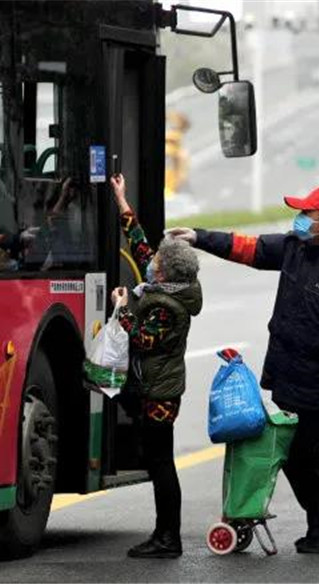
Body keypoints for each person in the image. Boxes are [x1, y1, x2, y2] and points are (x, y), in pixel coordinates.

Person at [169, 186, 319, 553]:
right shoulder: (295, 247)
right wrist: (199, 237)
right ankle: (318, 522)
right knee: (291, 455)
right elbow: (249, 248)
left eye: (306, 214)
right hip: (287, 375)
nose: (300, 220)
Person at [109, 173, 202, 559]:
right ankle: (165, 535)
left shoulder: (167, 305)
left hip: (161, 393)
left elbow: (143, 342)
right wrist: (122, 202)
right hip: (157, 388)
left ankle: (168, 538)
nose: (151, 263)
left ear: (165, 273)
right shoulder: (167, 286)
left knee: (161, 463)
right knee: (156, 458)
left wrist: (122, 310)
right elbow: (141, 245)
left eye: (157, 263)